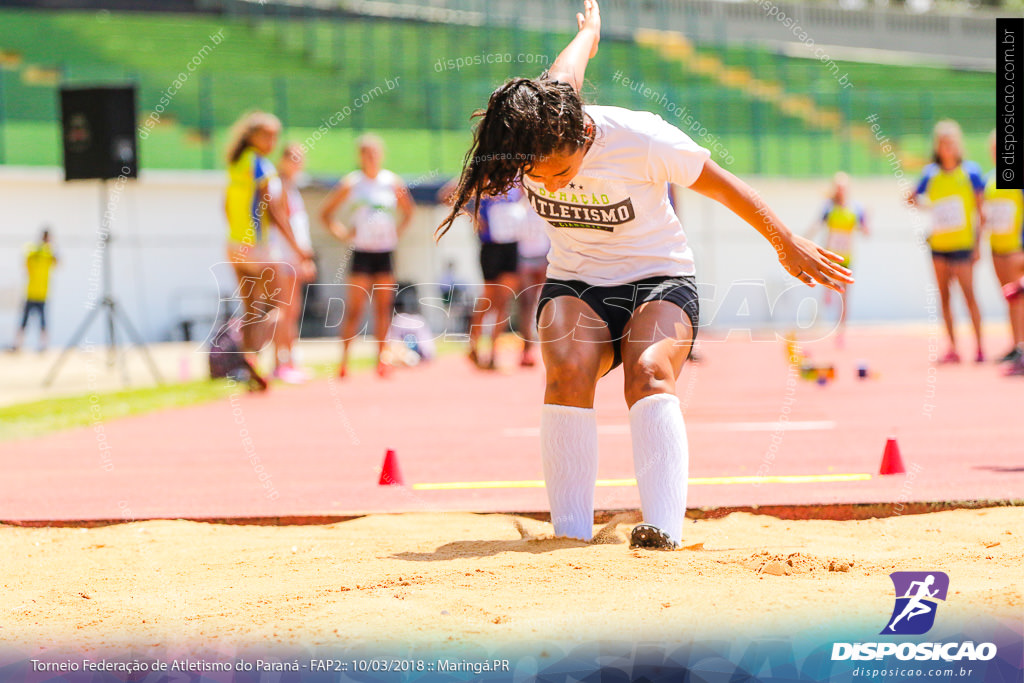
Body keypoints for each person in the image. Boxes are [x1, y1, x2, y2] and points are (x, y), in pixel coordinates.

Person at [437, 0, 851, 549]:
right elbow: (567, 69)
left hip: (659, 279)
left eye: (560, 172)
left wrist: (786, 242)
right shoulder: (542, 119)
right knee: (565, 370)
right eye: (539, 177)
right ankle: (569, 536)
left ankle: (663, 532)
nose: (552, 186)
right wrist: (589, 32)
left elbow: (722, 184)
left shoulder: (643, 139)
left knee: (650, 370)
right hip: (576, 283)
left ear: (582, 136)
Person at [223, 111, 313, 387]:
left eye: (275, 135)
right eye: (267, 135)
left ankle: (249, 363)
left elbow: (226, 206)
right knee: (278, 306)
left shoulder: (236, 164)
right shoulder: (262, 166)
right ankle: (273, 361)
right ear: (251, 136)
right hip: (258, 247)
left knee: (251, 308)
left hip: (235, 245)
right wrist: (299, 249)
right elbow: (274, 211)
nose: (272, 141)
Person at [320, 134, 414, 378]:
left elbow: (408, 210)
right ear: (360, 156)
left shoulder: (391, 181)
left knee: (383, 309)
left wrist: (397, 231)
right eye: (366, 153)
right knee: (354, 310)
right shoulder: (352, 183)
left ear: (381, 155)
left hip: (384, 253)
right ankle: (344, 362)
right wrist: (343, 234)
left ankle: (381, 360)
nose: (371, 157)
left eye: (375, 153)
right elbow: (326, 214)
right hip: (361, 252)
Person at [907, 120, 986, 364]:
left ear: (958, 145)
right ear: (938, 146)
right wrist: (925, 206)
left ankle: (980, 348)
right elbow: (912, 199)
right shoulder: (930, 174)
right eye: (943, 143)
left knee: (969, 295)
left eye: (951, 143)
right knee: (943, 297)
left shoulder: (971, 172)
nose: (947, 148)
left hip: (963, 246)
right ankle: (952, 347)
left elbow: (981, 212)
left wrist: (977, 244)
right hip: (939, 246)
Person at [438, 180, 526, 369]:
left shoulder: (518, 180)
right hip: (491, 245)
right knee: (488, 298)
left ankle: (493, 353)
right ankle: (473, 345)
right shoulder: (485, 177)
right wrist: (473, 215)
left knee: (504, 300)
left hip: (512, 245)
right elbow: (445, 196)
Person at [268, 143, 317, 383]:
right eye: (293, 157)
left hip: (292, 257)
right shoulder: (280, 186)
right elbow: (281, 222)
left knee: (292, 310)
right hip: (284, 257)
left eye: (300, 158)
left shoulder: (292, 188)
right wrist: (301, 253)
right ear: (283, 159)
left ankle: (289, 360)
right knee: (284, 310)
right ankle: (280, 362)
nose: (297, 162)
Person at [808, 172, 869, 346]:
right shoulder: (828, 207)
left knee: (844, 297)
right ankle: (827, 291)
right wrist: (801, 239)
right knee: (829, 288)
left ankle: (841, 331)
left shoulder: (856, 208)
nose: (841, 190)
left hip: (846, 258)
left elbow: (865, 232)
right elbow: (817, 225)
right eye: (838, 187)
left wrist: (867, 221)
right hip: (829, 257)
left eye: (844, 187)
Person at [981, 131, 1024, 372]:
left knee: (1020, 299)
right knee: (1009, 299)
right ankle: (1016, 344)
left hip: (1016, 249)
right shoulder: (990, 180)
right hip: (996, 248)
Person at [12, 227, 58, 352]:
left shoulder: (35, 251)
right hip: (37, 293)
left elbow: (25, 265)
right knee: (36, 322)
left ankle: (22, 345)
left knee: (28, 321)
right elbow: (57, 263)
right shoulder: (47, 252)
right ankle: (39, 346)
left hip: (36, 293)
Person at [516, 203, 551, 367]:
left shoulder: (543, 200)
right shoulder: (517, 204)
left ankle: (548, 348)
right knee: (528, 304)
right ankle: (527, 349)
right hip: (526, 257)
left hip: (543, 255)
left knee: (545, 303)